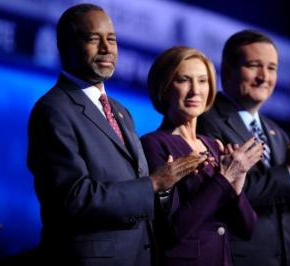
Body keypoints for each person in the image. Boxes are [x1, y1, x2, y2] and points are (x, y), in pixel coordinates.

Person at [27, 4, 206, 266]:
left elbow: (142, 189)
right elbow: (74, 199)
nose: (106, 48)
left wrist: (164, 188)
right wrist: (153, 185)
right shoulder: (53, 110)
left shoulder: (120, 111)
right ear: (65, 45)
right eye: (93, 39)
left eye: (111, 39)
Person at [197, 30, 290, 266]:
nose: (264, 77)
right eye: (254, 65)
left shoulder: (276, 132)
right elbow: (227, 195)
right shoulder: (206, 121)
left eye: (271, 68)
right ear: (227, 70)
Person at [141, 46, 261, 266]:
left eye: (203, 81)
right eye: (184, 80)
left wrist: (236, 186)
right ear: (165, 88)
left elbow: (248, 229)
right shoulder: (154, 144)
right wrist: (224, 177)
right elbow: (173, 230)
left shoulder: (213, 145)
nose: (195, 90)